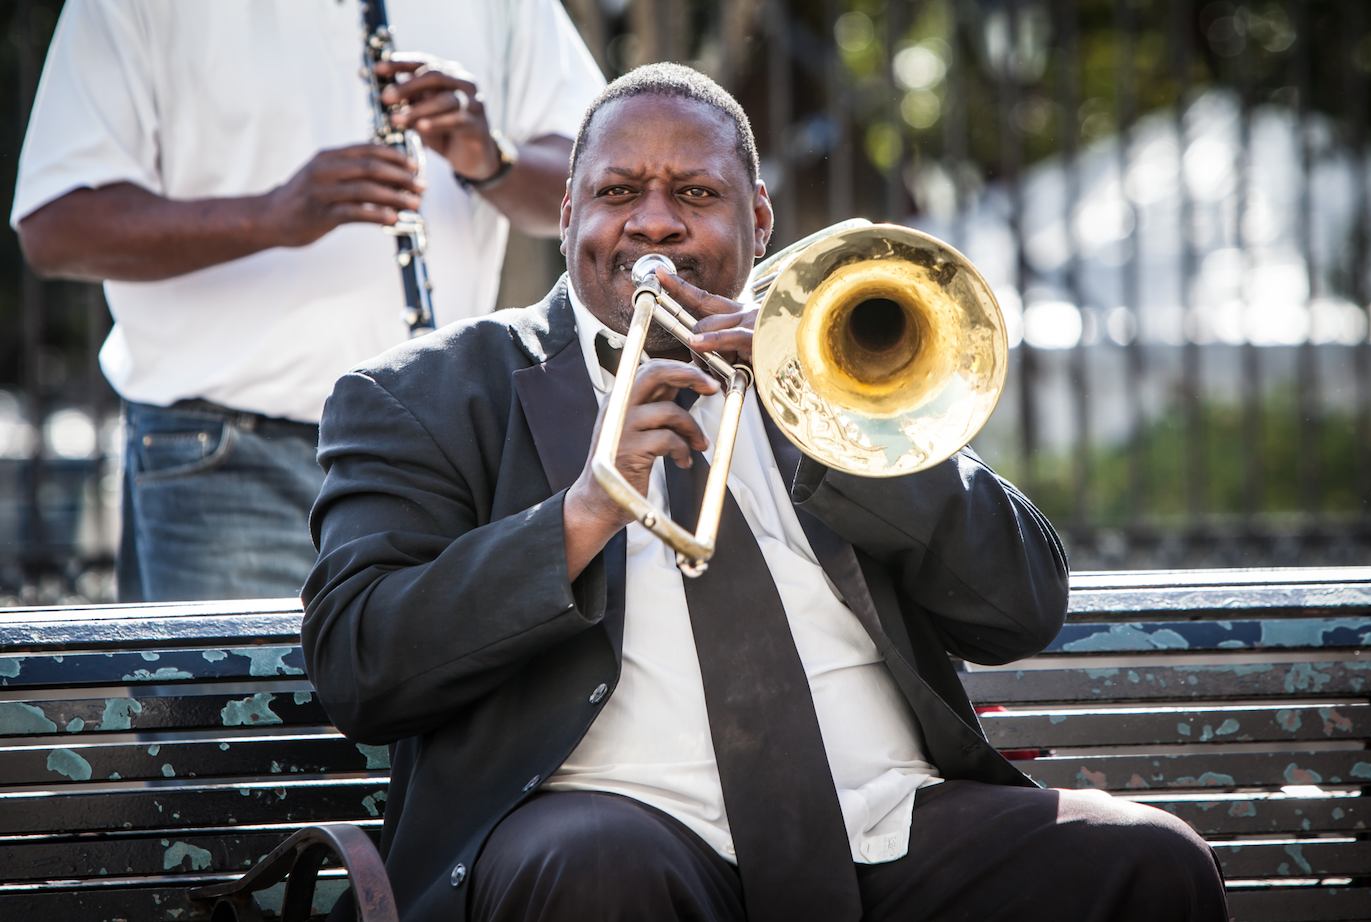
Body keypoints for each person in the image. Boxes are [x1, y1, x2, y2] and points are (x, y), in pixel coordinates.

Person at [302, 64, 1228, 922]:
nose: (655, 223)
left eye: (696, 195)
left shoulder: (835, 375)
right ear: (569, 209)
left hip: (888, 825)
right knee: (597, 864)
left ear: (760, 220)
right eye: (619, 193)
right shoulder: (418, 395)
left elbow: (1022, 609)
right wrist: (582, 511)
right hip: (609, 824)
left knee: (1149, 860)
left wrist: (840, 423)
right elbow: (360, 665)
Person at [11, 0, 605, 602]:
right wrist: (269, 216)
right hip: (229, 457)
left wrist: (492, 158)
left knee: (440, 690)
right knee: (239, 698)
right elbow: (55, 226)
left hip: (443, 444)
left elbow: (597, 180)